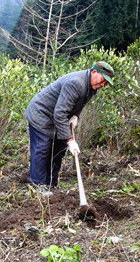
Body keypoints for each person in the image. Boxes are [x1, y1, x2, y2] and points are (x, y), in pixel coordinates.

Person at [25, 61, 114, 195]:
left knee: (58, 151)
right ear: (94, 72)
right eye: (102, 80)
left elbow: (78, 103)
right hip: (41, 114)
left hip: (57, 118)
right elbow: (59, 113)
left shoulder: (91, 87)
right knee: (42, 150)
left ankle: (51, 185)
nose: (102, 85)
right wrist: (70, 139)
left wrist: (76, 116)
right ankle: (37, 188)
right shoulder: (76, 83)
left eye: (105, 84)